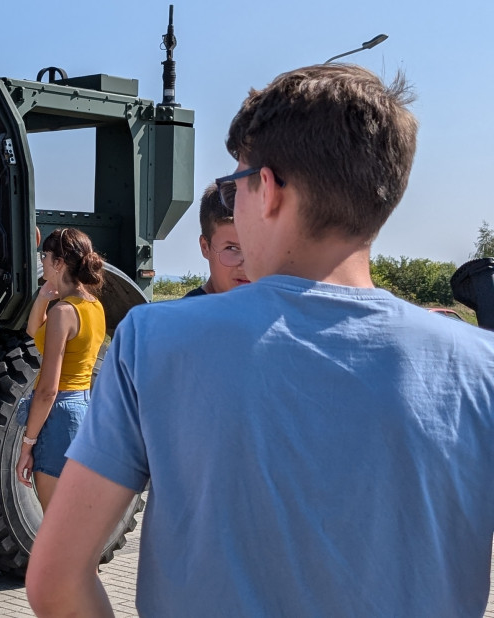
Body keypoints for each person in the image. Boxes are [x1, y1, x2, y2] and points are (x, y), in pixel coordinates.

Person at [26, 64, 494, 617]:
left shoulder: (153, 341)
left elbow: (55, 581)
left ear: (266, 191)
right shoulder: (479, 366)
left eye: (235, 185)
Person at [16, 228, 105, 512]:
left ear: (59, 263)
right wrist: (44, 296)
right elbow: (34, 331)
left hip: (59, 416)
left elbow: (47, 391)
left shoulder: (63, 313)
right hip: (83, 410)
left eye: (45, 256)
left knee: (54, 525)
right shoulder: (93, 307)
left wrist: (27, 444)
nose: (41, 261)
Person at [184, 182, 250, 297]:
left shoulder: (277, 310)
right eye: (232, 248)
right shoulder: (185, 314)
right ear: (205, 247)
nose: (247, 266)